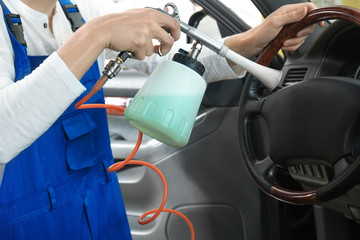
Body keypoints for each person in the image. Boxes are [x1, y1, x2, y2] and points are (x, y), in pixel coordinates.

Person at [0, 0, 320, 239]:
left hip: (98, 203)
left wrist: (252, 42)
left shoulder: (79, 8)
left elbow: (171, 60)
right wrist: (97, 34)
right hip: (25, 221)